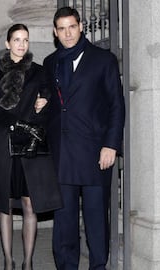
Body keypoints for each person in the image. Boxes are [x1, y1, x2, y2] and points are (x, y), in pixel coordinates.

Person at [43, 7, 125, 270]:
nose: (67, 33)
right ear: (55, 32)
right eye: (62, 28)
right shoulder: (50, 62)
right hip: (63, 153)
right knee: (64, 221)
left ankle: (98, 266)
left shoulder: (103, 60)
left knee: (96, 218)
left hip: (94, 152)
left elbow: (116, 105)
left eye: (72, 27)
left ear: (81, 27)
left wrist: (111, 144)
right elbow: (53, 104)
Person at [0, 23, 63, 270]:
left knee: (29, 203)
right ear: (8, 44)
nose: (21, 44)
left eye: (25, 40)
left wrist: (44, 103)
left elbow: (48, 100)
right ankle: (8, 260)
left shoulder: (38, 72)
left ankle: (28, 262)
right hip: (4, 142)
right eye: (16, 40)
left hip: (30, 144)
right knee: (4, 204)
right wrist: (15, 123)